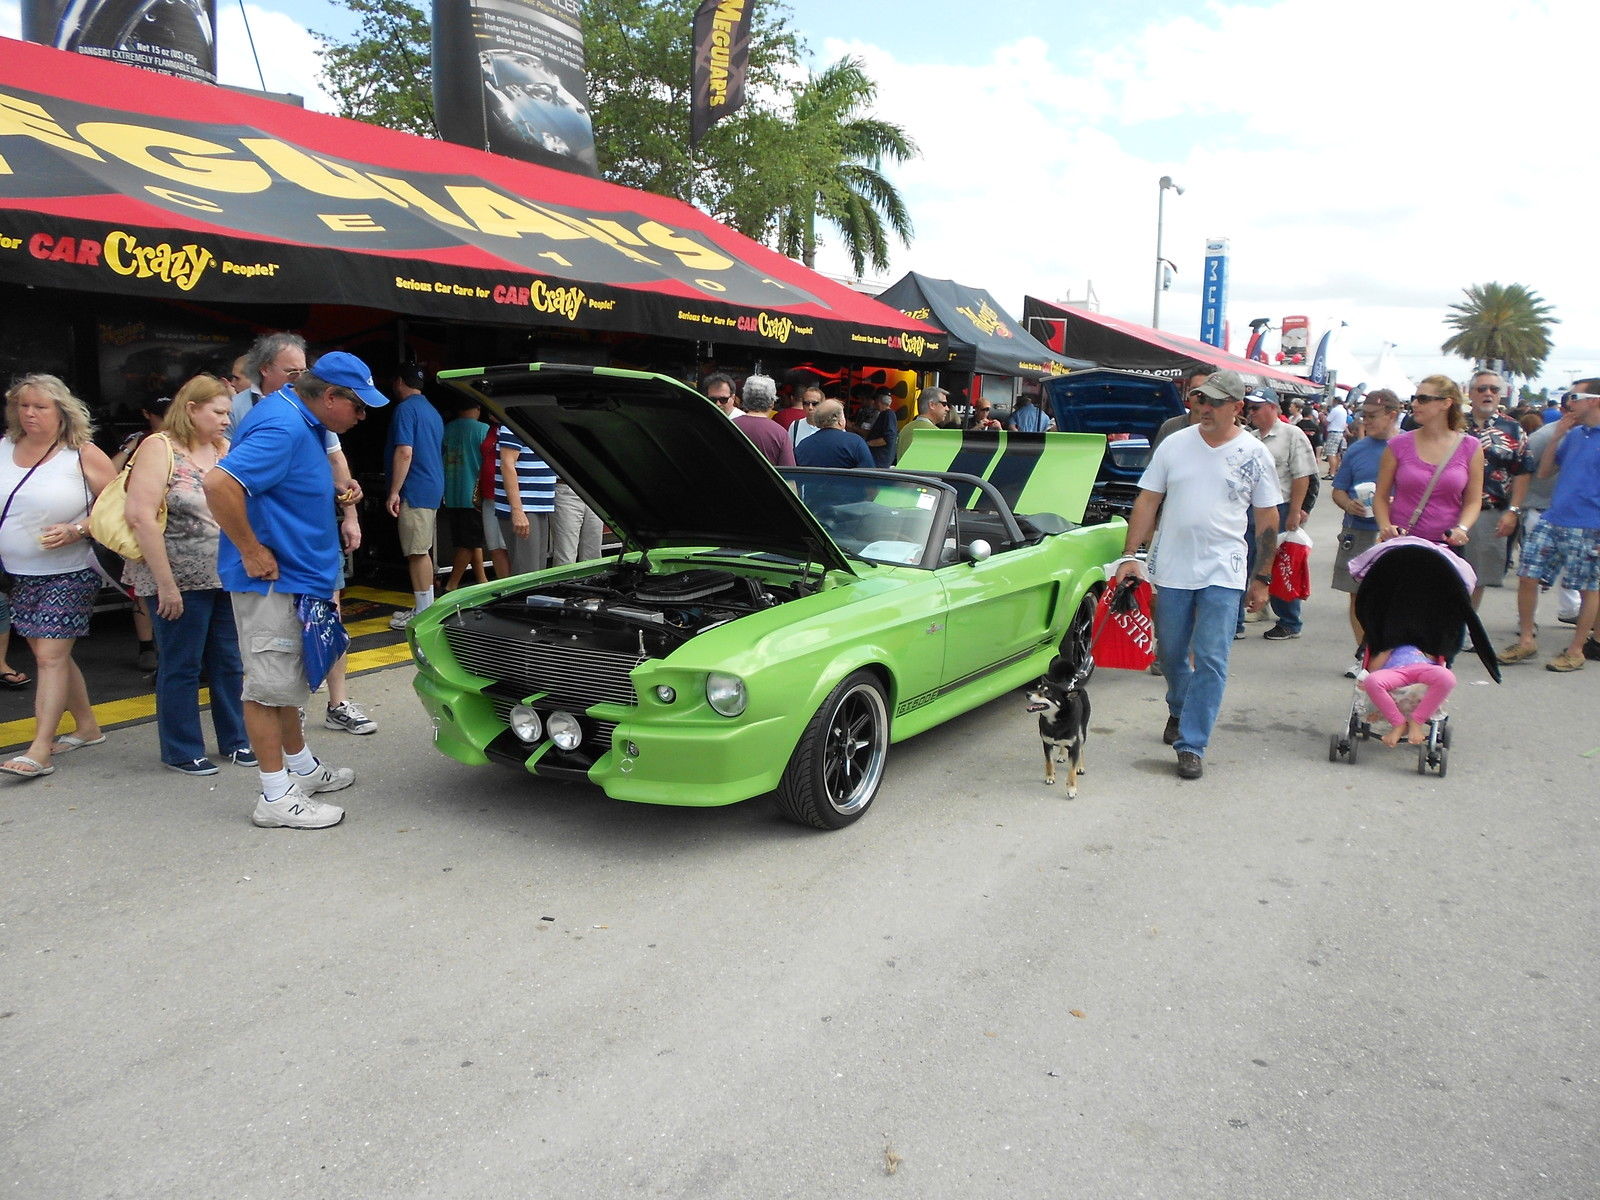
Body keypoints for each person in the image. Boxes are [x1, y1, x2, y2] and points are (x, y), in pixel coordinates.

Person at [203, 351, 390, 829]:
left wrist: (332, 495)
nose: (362, 417)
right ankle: (274, 795)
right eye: (359, 407)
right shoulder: (283, 426)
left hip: (295, 576)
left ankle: (300, 768)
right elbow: (219, 483)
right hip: (274, 580)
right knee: (268, 688)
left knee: (285, 682)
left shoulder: (297, 417)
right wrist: (250, 550)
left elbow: (278, 487)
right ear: (330, 397)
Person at [1112, 369, 1281, 779]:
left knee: (1211, 657)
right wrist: (1129, 556)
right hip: (1171, 567)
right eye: (1199, 399)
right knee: (1170, 653)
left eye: (1214, 402)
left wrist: (1263, 578)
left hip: (1225, 569)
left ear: (1237, 408)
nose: (1203, 408)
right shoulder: (1175, 444)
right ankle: (1178, 707)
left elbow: (1267, 519)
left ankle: (1192, 744)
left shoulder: (1255, 454)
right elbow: (1148, 500)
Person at [122, 373, 251, 776]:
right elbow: (140, 516)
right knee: (181, 663)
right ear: (191, 409)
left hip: (224, 575)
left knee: (229, 660)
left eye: (228, 412)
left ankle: (236, 739)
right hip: (174, 576)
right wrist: (165, 584)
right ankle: (181, 749)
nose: (226, 420)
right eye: (218, 412)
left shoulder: (225, 448)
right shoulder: (158, 448)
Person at [0, 375, 115, 780]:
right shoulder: (4, 448)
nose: (28, 413)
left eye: (40, 407)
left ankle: (38, 749)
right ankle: (87, 726)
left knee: (48, 658)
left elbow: (115, 505)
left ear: (62, 411)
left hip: (70, 570)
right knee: (52, 655)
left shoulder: (80, 454)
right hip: (18, 572)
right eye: (22, 405)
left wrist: (77, 529)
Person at [1497, 379, 1600, 672]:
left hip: (1590, 524)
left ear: (1593, 400)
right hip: (1554, 517)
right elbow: (1544, 472)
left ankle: (1576, 649)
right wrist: (1558, 436)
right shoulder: (1576, 433)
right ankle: (1527, 639)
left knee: (1588, 587)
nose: (1569, 402)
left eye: (1575, 397)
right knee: (1528, 576)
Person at [1331, 389, 1403, 675]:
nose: (1366, 421)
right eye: (1363, 415)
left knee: (1392, 598)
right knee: (1356, 596)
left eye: (1372, 416)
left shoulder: (1408, 447)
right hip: (1358, 530)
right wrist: (1349, 503)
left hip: (1395, 534)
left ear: (1392, 415)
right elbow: (1337, 490)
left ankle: (1391, 657)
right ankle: (1365, 655)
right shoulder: (1357, 449)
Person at [1373, 376, 1483, 549]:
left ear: (1446, 403)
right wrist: (1385, 526)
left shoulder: (1471, 447)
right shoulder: (1398, 445)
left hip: (1447, 546)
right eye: (1414, 399)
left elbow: (1474, 501)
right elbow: (1381, 496)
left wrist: (1462, 529)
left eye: (1423, 399)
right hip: (1401, 543)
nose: (1414, 404)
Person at [1246, 389, 1317, 641]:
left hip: (1281, 506)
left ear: (1273, 407)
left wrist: (1296, 511)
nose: (1251, 412)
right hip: (1251, 508)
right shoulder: (1250, 437)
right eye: (1250, 408)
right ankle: (1239, 617)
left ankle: (1289, 621)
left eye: (1257, 407)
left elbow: (1302, 475)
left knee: (1280, 566)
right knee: (1247, 560)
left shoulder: (1291, 434)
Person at [112, 393, 172, 672]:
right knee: (142, 590)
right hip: (142, 521)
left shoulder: (183, 441)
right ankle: (146, 645)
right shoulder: (140, 440)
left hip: (171, 525)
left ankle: (159, 648)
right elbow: (110, 475)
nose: (165, 419)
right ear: (148, 414)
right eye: (160, 414)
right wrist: (129, 448)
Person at [385, 363, 446, 629]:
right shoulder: (432, 411)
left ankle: (423, 613)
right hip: (432, 486)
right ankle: (424, 607)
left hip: (415, 487)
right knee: (422, 549)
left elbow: (405, 451)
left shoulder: (405, 409)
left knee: (416, 551)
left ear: (399, 382)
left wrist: (394, 491)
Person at [1461, 369, 1527, 606]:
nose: (1488, 394)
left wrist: (1513, 512)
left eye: (1494, 389)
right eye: (1481, 389)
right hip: (1449, 510)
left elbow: (1522, 472)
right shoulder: (1453, 425)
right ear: (1470, 393)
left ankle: (1465, 632)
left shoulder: (1513, 430)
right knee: (1444, 573)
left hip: (1489, 513)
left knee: (1477, 578)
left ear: (1502, 394)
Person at [1362, 644, 1456, 748]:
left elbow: (1437, 660)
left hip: (1423, 667)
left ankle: (1416, 720)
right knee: (1372, 681)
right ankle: (1398, 723)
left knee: (1447, 678)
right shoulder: (1388, 646)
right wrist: (1387, 649)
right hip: (1395, 670)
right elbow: (1372, 670)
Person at [440, 396, 490, 591]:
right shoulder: (483, 430)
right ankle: (451, 585)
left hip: (452, 494)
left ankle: (482, 580)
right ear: (478, 408)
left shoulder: (448, 429)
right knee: (468, 542)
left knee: (469, 540)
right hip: (474, 496)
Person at [495, 422, 556, 576]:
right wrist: (517, 510)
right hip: (525, 506)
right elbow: (507, 464)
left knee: (537, 571)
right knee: (526, 572)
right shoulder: (513, 424)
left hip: (538, 505)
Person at [731, 374, 796, 467]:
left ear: (745, 399)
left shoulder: (730, 425)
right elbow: (789, 475)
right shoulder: (780, 434)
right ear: (772, 403)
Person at [794, 400, 874, 468]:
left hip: (811, 486)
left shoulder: (802, 445)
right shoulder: (856, 442)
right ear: (839, 420)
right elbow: (870, 479)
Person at [1152, 370, 1211, 451]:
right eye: (1195, 389)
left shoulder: (1223, 429)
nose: (1199, 395)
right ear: (1188, 392)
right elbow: (1156, 461)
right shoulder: (1171, 427)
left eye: (1205, 389)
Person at [897, 386, 950, 462]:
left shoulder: (905, 429)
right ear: (931, 405)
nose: (947, 409)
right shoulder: (936, 433)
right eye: (944, 404)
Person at [856, 389, 899, 467]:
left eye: (875, 399)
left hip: (879, 461)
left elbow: (888, 439)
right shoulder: (884, 414)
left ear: (880, 400)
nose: (874, 402)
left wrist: (867, 444)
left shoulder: (889, 414)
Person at [1322, 395, 1350, 478]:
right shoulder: (1344, 410)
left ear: (1335, 401)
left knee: (1331, 453)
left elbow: (1327, 421)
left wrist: (1324, 417)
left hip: (1334, 432)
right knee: (1336, 453)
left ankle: (1332, 473)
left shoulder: (1335, 410)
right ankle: (1335, 471)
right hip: (1340, 433)